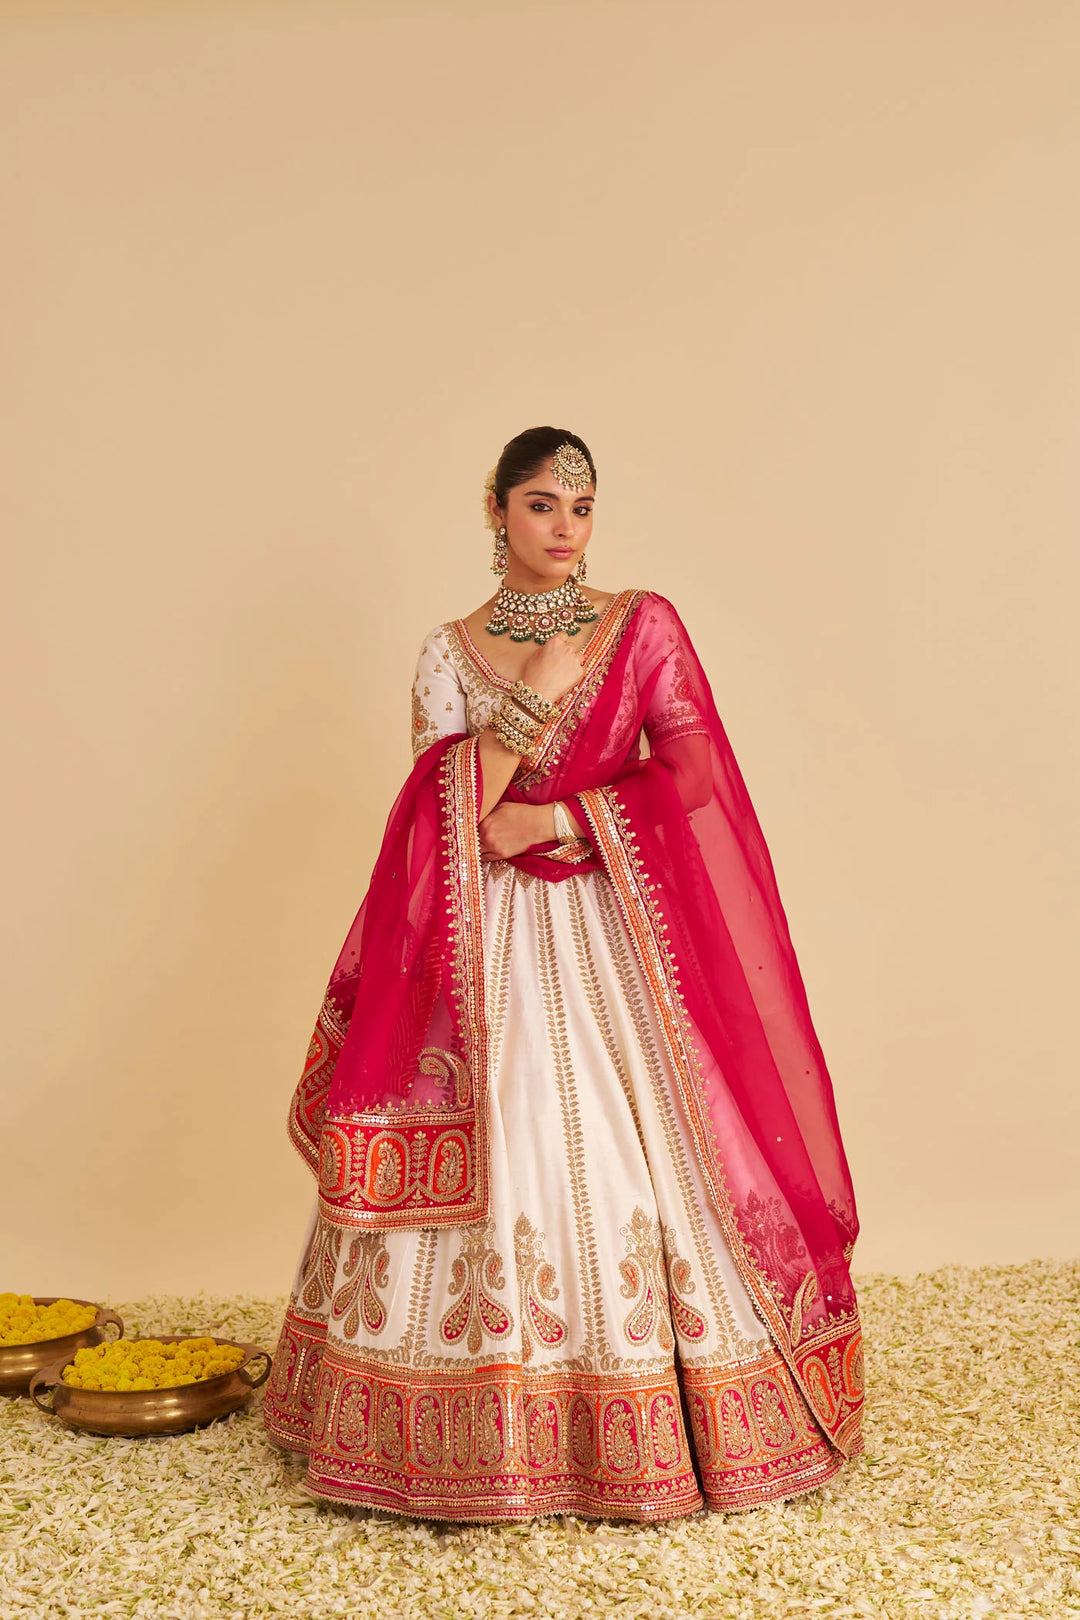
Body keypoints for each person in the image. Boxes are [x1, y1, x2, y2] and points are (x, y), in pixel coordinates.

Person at [263, 426, 864, 1523]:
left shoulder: (642, 626)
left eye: (582, 510)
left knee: (628, 1153)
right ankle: (461, 1436)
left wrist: (568, 810)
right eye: (542, 506)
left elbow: (691, 775)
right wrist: (531, 697)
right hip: (488, 941)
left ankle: (663, 1424)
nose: (566, 531)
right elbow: (438, 816)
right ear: (494, 508)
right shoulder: (450, 650)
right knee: (511, 1130)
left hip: (612, 925)